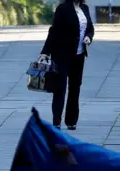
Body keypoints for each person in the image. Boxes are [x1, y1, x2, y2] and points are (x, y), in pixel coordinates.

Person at [39, 0, 94, 130]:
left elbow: (90, 28)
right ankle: (56, 121)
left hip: (79, 55)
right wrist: (45, 52)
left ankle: (71, 120)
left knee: (75, 88)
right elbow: (54, 30)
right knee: (60, 88)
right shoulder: (63, 8)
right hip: (61, 55)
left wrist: (88, 37)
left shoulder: (84, 8)